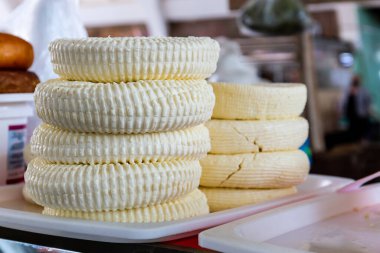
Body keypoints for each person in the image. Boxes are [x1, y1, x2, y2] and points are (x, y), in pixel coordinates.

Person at [342, 76, 372, 142]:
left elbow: (368, 100)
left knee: (363, 131)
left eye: (356, 80)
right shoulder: (347, 90)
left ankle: (364, 141)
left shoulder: (363, 90)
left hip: (362, 114)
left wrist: (367, 110)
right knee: (353, 132)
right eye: (354, 79)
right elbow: (344, 102)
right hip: (351, 115)